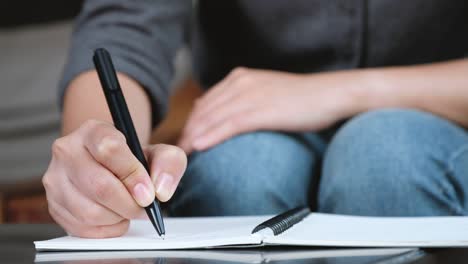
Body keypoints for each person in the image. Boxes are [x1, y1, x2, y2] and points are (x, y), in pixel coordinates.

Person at [42, 0, 468, 238]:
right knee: (237, 175)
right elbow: (127, 26)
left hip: (438, 106)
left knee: (385, 160)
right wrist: (100, 156)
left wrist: (342, 91)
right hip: (250, 122)